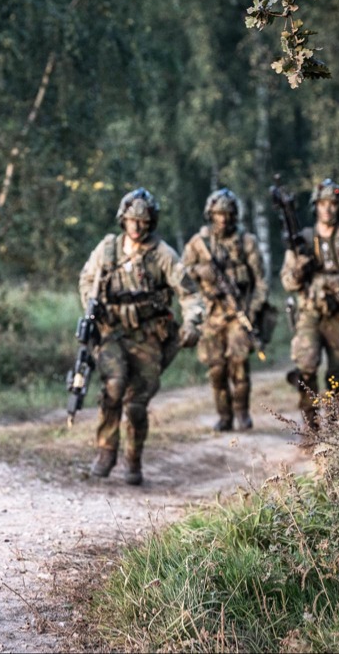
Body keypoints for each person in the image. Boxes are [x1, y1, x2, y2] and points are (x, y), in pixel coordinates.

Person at [78, 188, 204, 485]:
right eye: (132, 220)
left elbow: (188, 292)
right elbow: (86, 280)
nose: (137, 226)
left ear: (151, 222)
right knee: (114, 385)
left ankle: (133, 458)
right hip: (111, 332)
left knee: (136, 403)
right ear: (123, 220)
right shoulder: (107, 249)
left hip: (148, 336)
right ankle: (106, 449)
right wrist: (92, 307)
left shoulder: (162, 254)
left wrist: (192, 323)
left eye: (143, 221)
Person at [280, 179, 339, 431]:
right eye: (323, 204)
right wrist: (298, 272)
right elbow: (287, 280)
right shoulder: (301, 242)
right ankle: (311, 426)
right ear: (316, 207)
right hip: (309, 312)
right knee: (306, 366)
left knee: (338, 372)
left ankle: (334, 428)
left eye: (333, 204)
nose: (328, 209)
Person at [182, 188, 269, 432]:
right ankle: (224, 415)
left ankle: (242, 412)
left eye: (228, 214)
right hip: (211, 314)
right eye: (219, 214)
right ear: (210, 215)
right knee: (216, 369)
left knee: (239, 365)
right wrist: (199, 272)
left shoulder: (247, 242)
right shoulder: (198, 244)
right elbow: (181, 274)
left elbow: (261, 281)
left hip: (238, 314)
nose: (223, 219)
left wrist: (252, 310)